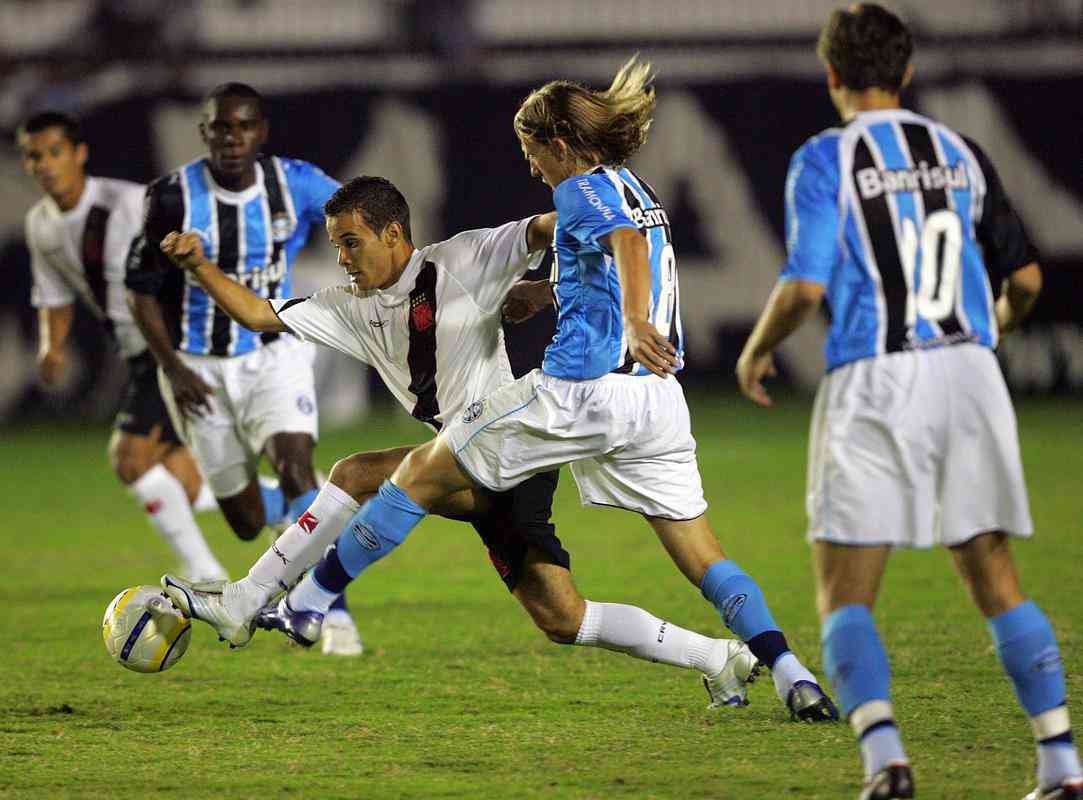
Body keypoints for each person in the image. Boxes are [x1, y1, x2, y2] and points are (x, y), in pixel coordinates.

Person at [263, 60, 837, 722]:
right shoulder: (636, 186)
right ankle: (791, 672)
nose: (533, 170)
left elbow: (622, 243)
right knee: (703, 556)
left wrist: (635, 317)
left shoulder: (579, 189)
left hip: (580, 392)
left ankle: (308, 605)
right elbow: (614, 240)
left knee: (419, 470)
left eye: (533, 155)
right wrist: (546, 292)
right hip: (656, 401)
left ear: (559, 145)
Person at [158, 175, 762, 706]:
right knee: (563, 617)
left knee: (356, 473)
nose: (341, 258)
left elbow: (563, 225)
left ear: (394, 234)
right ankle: (719, 657)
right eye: (336, 244)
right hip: (464, 454)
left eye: (351, 242)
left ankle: (254, 601)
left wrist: (555, 286)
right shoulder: (345, 306)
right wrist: (200, 268)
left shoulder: (466, 256)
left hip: (515, 448)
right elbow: (260, 314)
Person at [735, 5, 1082, 799]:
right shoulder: (958, 150)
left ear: (830, 75)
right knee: (992, 567)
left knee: (845, 589)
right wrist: (993, 327)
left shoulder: (825, 157)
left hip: (875, 376)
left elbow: (806, 284)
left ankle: (886, 762)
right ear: (907, 72)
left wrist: (758, 350)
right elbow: (1024, 279)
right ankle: (1061, 764)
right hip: (968, 373)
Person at [124, 82, 360, 655]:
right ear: (204, 133)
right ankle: (286, 511)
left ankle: (330, 614)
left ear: (261, 132)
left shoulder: (294, 183)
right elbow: (141, 291)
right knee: (246, 522)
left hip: (275, 352)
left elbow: (358, 211)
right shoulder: (172, 198)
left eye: (244, 127)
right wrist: (174, 370)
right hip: (199, 368)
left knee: (299, 464)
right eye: (221, 129)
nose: (233, 139)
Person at [18, 110, 227, 583]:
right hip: (135, 353)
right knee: (187, 482)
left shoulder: (128, 203)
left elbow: (187, 255)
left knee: (129, 457)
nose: (46, 164)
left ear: (79, 154)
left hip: (171, 345)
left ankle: (204, 571)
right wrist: (53, 346)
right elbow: (54, 292)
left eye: (55, 152)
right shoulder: (41, 225)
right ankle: (309, 501)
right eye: (35, 156)